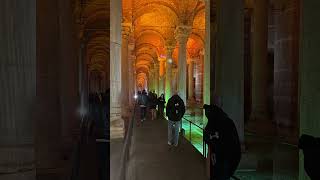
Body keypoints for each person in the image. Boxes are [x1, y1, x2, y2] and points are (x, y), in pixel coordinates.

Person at [203, 104, 241, 180]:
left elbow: (234, 146)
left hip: (224, 161)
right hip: (219, 161)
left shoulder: (222, 123)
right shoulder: (215, 122)